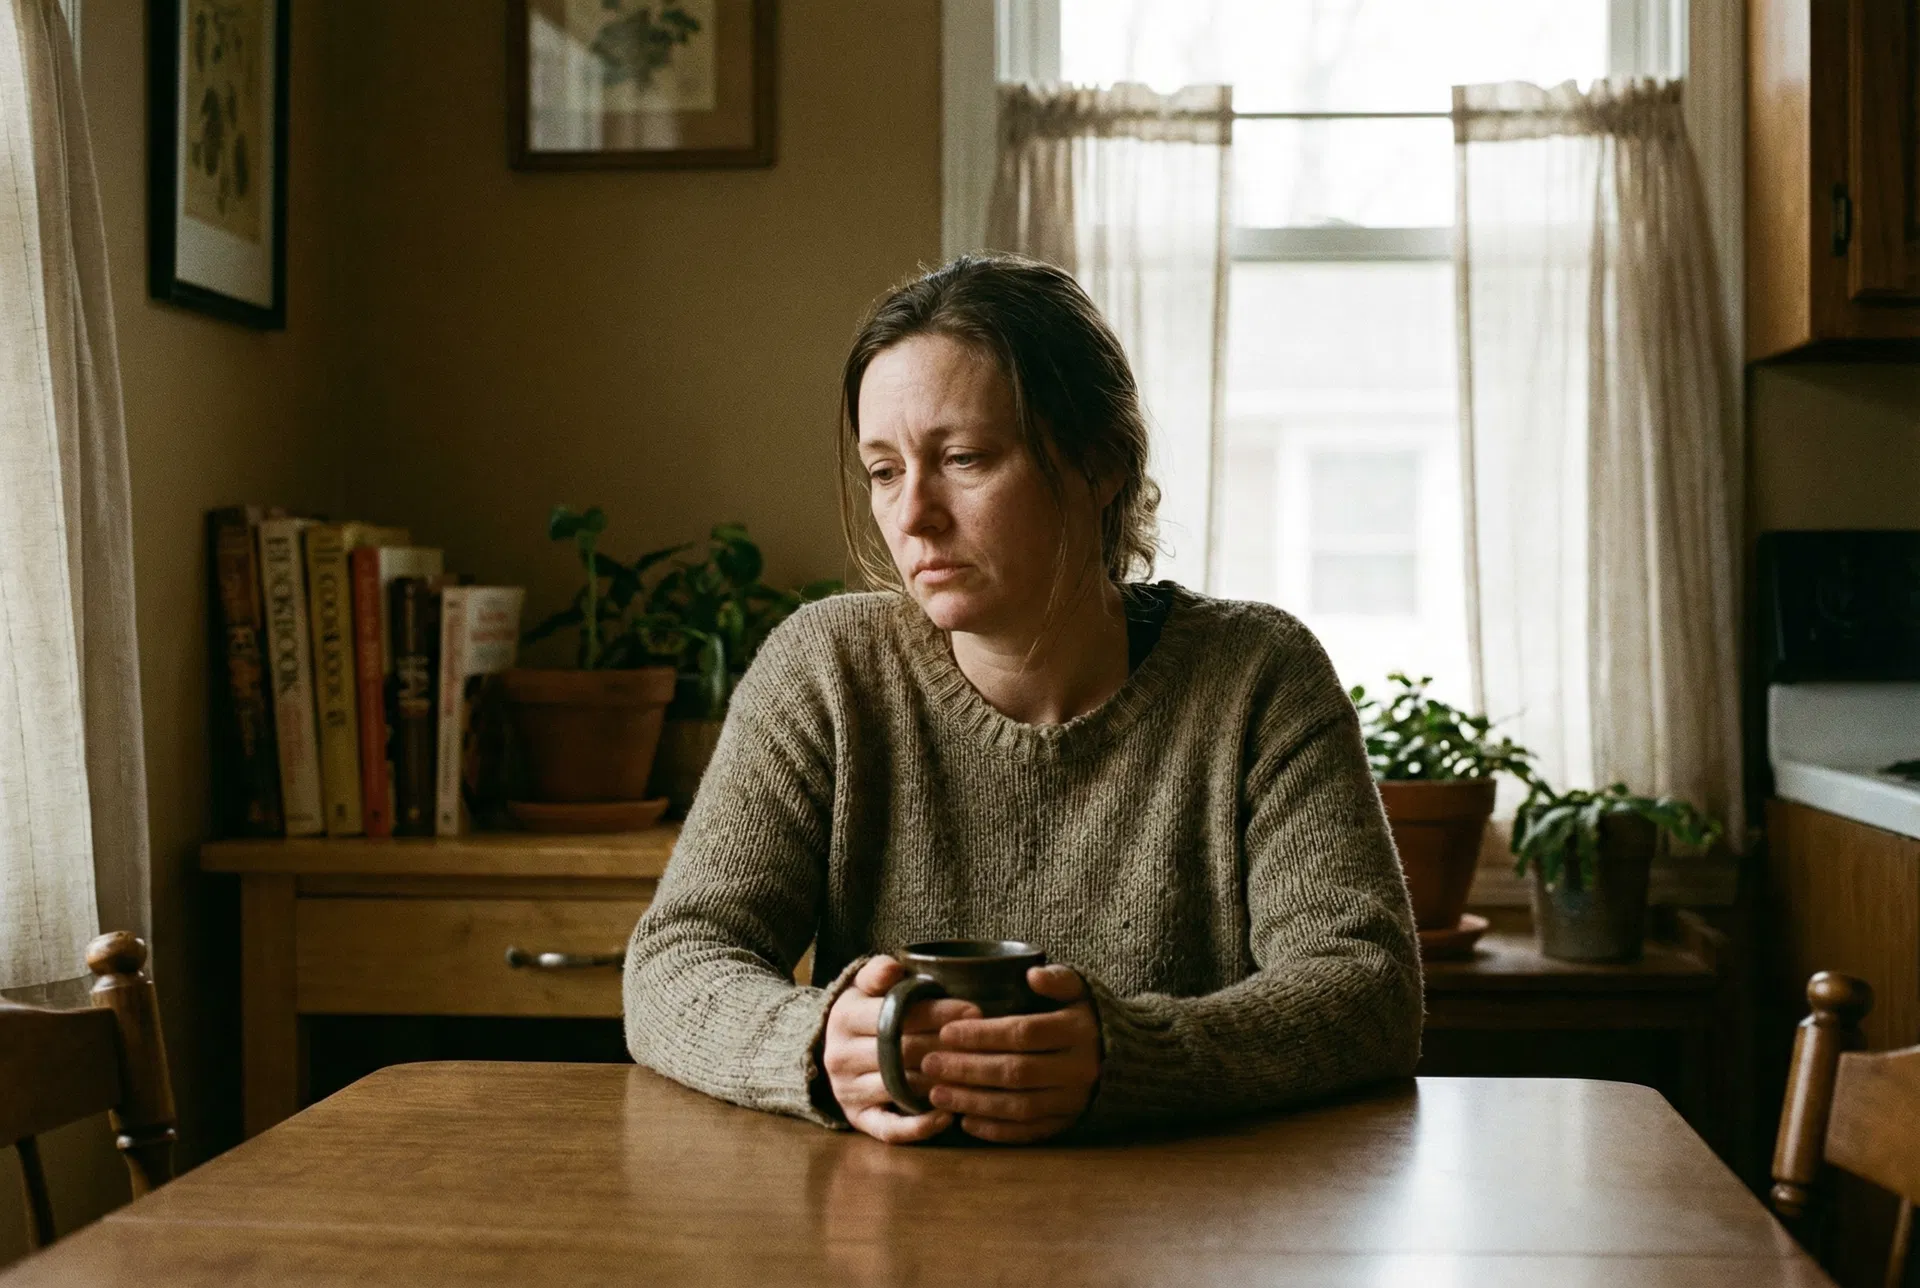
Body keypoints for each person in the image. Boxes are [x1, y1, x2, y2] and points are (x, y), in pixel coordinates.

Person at [623, 253, 1421, 1146]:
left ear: (1103, 462)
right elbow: (676, 960)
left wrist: (1129, 1057)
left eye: (963, 458)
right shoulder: (824, 671)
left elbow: (1366, 986)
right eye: (884, 471)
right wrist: (814, 1044)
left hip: (1188, 1235)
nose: (913, 515)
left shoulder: (1257, 676)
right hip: (881, 1238)